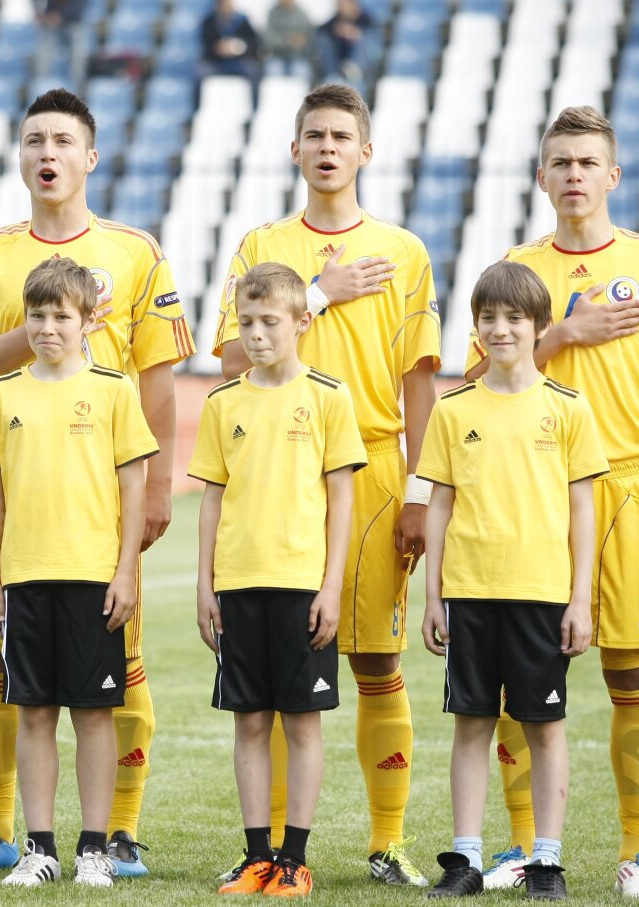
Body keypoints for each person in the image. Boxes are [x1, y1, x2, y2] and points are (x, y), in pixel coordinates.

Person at [0, 87, 194, 877]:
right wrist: (42, 324)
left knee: (114, 673)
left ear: (91, 156)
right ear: (20, 157)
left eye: (61, 141)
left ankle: (116, 832)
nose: (46, 152)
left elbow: (157, 379)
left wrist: (158, 487)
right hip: (17, 498)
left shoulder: (136, 251)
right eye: (33, 140)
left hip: (99, 504)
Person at [463, 106, 639, 901]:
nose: (574, 174)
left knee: (632, 672)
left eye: (587, 162)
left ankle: (637, 854)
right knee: (518, 680)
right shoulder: (517, 269)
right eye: (561, 162)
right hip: (530, 494)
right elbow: (474, 382)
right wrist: (564, 334)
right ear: (542, 177)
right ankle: (520, 847)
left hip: (630, 492)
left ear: (613, 175)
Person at [213, 82, 439, 887]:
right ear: (295, 149)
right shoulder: (261, 244)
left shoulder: (403, 251)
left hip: (370, 471)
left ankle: (387, 841)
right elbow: (228, 358)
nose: (328, 148)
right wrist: (319, 293)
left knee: (376, 660)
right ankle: (273, 851)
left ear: (365, 151)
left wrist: (421, 491)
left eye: (342, 136)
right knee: (277, 680)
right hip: (273, 478)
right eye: (315, 135)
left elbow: (419, 380)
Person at [0, 256, 158, 888]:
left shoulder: (114, 391)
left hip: (93, 578)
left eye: (61, 317)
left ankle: (95, 848)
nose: (48, 328)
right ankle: (39, 847)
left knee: (95, 714)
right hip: (24, 577)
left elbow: (134, 486)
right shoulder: (1, 395)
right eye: (37, 316)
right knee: (34, 712)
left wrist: (126, 572)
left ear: (88, 321)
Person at [420, 260, 607, 901]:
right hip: (469, 592)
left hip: (542, 593)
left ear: (540, 326)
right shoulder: (453, 409)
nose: (500, 329)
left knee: (544, 727)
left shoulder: (567, 408)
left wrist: (580, 599)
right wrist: (433, 596)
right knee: (471, 725)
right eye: (488, 318)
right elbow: (439, 506)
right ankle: (465, 859)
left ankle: (546, 862)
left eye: (514, 318)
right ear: (475, 327)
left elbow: (582, 510)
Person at [192, 263, 365, 897]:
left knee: (302, 723)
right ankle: (256, 856)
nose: (257, 334)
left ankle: (295, 858)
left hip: (301, 585)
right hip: (239, 584)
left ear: (302, 321)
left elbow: (341, 499)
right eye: (246, 322)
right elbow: (212, 499)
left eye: (270, 321)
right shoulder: (222, 403)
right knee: (248, 722)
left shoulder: (328, 397)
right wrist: (205, 585)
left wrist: (331, 586)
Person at [198, 0, 262, 86]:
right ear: (218, 6)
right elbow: (206, 45)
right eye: (224, 5)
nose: (227, 8)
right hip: (216, 62)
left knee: (254, 70)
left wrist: (238, 47)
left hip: (239, 61)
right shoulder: (209, 22)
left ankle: (255, 95)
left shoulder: (242, 21)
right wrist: (218, 48)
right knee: (201, 71)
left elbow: (254, 43)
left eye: (229, 4)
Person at [317, 0, 374, 90]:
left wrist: (356, 34)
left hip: (359, 70)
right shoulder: (335, 21)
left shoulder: (366, 20)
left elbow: (375, 40)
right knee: (324, 39)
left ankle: (354, 69)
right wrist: (336, 31)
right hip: (337, 64)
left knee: (366, 39)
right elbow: (321, 30)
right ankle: (333, 76)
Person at [262, 0, 316, 81]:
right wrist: (287, 40)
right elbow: (268, 37)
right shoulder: (273, 14)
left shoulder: (301, 14)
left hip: (298, 55)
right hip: (277, 55)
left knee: (302, 72)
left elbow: (310, 35)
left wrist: (302, 40)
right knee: (273, 72)